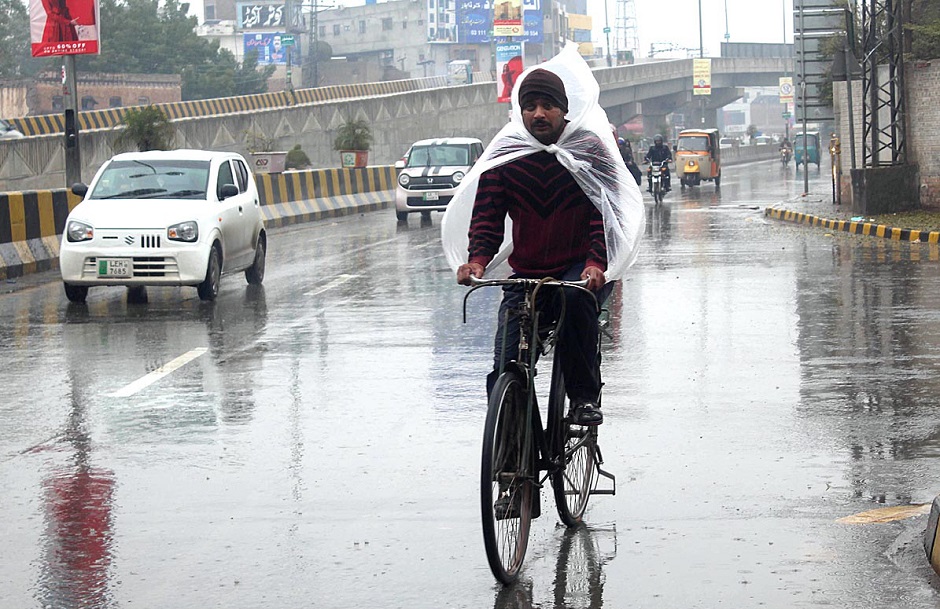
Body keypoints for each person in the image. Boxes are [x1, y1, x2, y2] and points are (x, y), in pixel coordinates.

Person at [456, 68, 613, 427]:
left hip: (579, 269)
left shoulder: (587, 151)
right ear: (520, 111)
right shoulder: (507, 156)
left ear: (563, 109)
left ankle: (583, 397)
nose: (538, 113)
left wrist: (595, 263)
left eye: (547, 105)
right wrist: (477, 261)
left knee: (576, 303)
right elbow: (487, 216)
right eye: (530, 106)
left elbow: (603, 216)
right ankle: (510, 447)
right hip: (526, 273)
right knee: (505, 362)